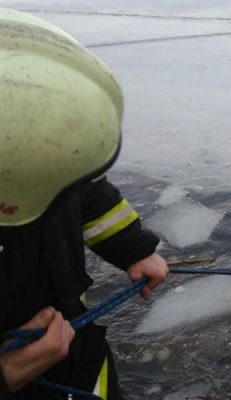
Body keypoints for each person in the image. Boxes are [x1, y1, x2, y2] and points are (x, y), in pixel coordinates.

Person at [0, 9, 168, 399]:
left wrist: (134, 248)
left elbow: (86, 189)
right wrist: (6, 375)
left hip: (76, 343)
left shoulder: (30, 134)